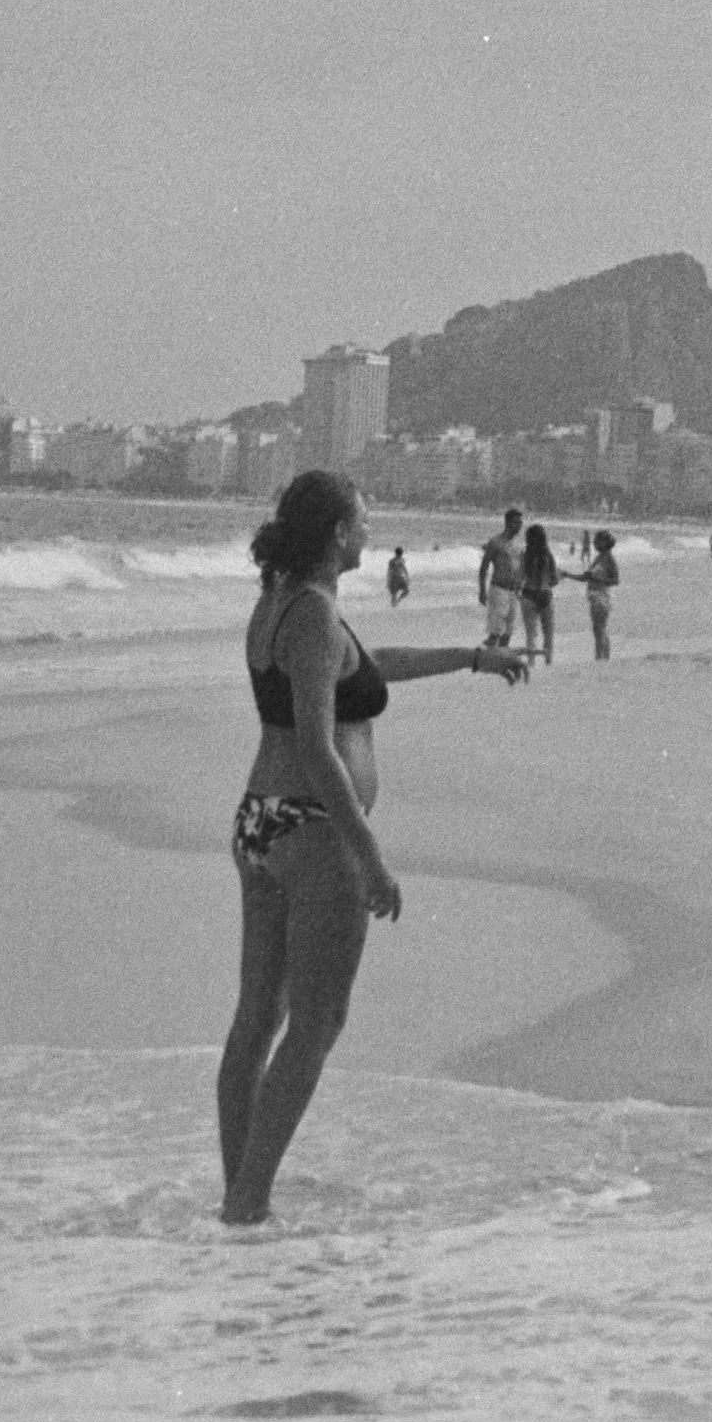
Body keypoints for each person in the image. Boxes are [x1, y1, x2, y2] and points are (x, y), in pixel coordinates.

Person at [222, 471, 528, 1223]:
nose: (368, 532)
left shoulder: (281, 606)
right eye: (361, 522)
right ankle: (246, 1207)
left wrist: (469, 656)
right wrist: (369, 854)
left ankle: (240, 1194)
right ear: (335, 534)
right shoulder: (317, 615)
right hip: (312, 828)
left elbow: (366, 666)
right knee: (317, 1023)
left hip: (260, 821)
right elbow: (324, 750)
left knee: (257, 1019)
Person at [476, 507, 525, 647]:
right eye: (517, 523)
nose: (520, 526)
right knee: (496, 630)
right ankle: (487, 658)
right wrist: (482, 590)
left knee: (508, 632)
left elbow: (522, 568)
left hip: (514, 592)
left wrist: (523, 586)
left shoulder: (519, 544)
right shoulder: (496, 542)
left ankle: (502, 660)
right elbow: (484, 567)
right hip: (499, 590)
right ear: (509, 523)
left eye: (521, 523)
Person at [517, 523, 562, 664]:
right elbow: (554, 580)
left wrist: (517, 594)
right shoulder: (549, 556)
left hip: (529, 595)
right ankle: (548, 662)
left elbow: (519, 578)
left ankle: (531, 664)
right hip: (546, 595)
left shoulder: (525, 556)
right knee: (548, 635)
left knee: (531, 635)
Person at [578, 529, 619, 661]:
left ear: (605, 542)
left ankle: (599, 658)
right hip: (594, 595)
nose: (594, 543)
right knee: (600, 628)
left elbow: (615, 580)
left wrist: (596, 580)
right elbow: (588, 577)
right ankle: (604, 658)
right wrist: (567, 575)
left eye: (597, 540)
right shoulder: (599, 558)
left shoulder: (609, 559)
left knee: (599, 629)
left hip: (602, 596)